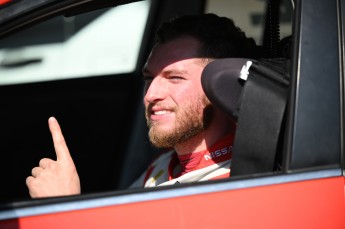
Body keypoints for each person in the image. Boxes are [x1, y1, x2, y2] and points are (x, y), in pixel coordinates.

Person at [26, 13, 254, 197]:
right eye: (149, 78)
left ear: (223, 86)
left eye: (175, 77)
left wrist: (64, 208)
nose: (151, 94)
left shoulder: (231, 189)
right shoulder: (167, 164)